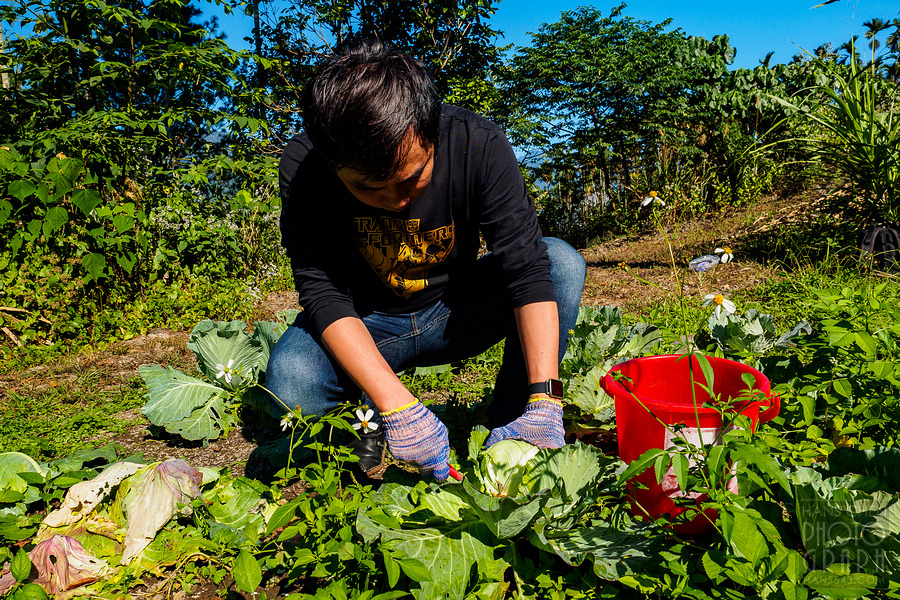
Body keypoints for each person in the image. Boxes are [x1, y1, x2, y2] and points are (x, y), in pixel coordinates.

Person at [266, 39, 586, 481]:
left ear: (433, 132)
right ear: (333, 163)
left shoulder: (478, 143)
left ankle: (520, 421)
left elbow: (526, 270)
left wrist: (547, 398)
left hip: (455, 310)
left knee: (560, 262)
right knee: (292, 379)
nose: (397, 202)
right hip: (368, 320)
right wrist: (398, 405)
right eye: (370, 189)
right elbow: (323, 293)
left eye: (412, 179)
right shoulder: (306, 166)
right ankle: (368, 431)